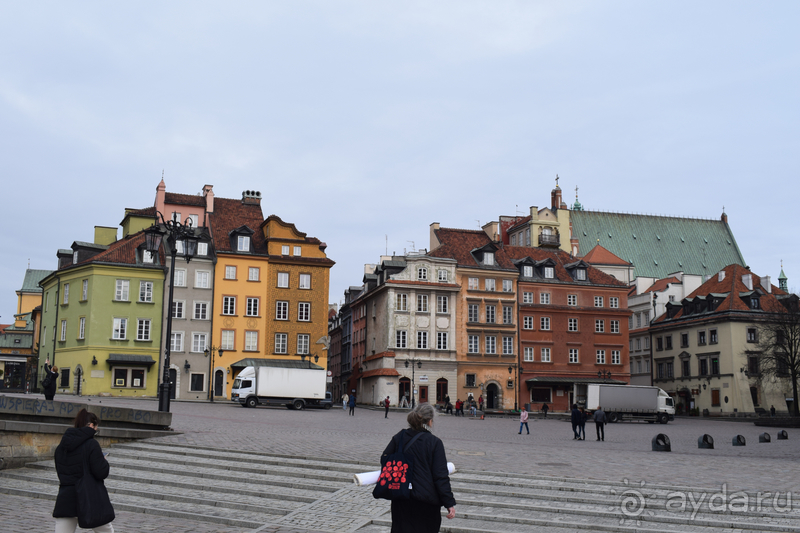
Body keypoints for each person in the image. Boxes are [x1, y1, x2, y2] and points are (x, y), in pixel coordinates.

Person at [379, 403, 456, 532]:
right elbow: (440, 476)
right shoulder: (434, 442)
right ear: (430, 421)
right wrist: (449, 503)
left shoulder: (400, 437)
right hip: (426, 502)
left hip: (401, 499)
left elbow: (385, 459)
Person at [53, 408, 115, 532]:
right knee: (105, 530)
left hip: (66, 496)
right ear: (92, 425)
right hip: (89, 496)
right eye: (96, 428)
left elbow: (61, 471)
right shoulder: (91, 444)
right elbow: (101, 472)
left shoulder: (61, 447)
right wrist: (103, 460)